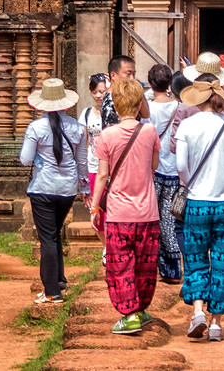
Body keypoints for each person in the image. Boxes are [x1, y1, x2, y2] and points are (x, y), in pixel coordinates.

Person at [174, 74, 224, 342]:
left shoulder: (187, 125)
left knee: (195, 259)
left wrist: (189, 185)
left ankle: (198, 311)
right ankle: (217, 324)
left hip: (197, 202)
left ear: (198, 100)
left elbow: (181, 167)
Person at [91, 77, 162, 335]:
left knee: (120, 264)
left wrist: (95, 207)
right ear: (138, 102)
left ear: (116, 105)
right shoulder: (150, 131)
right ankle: (140, 309)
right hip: (147, 211)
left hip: (119, 211)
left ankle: (129, 313)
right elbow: (154, 166)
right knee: (145, 264)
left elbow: (101, 176)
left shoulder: (107, 135)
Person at [19, 78, 89, 305]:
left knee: (47, 238)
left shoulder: (36, 128)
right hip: (67, 189)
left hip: (43, 188)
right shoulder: (78, 128)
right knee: (54, 233)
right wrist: (85, 188)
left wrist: (40, 159)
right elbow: (82, 162)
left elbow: (25, 159)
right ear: (66, 103)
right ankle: (58, 279)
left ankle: (51, 291)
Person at [148, 63, 186, 285]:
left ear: (151, 84)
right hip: (174, 168)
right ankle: (173, 269)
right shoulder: (179, 108)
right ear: (170, 83)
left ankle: (152, 264)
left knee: (152, 220)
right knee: (170, 221)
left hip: (153, 169)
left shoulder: (147, 109)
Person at [80, 73, 110, 194]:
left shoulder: (113, 114)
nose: (98, 96)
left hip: (110, 168)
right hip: (92, 167)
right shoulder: (86, 114)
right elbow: (83, 143)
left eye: (101, 92)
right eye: (94, 92)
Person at [102, 55, 137, 127]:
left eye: (134, 74)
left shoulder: (128, 94)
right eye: (128, 74)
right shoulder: (110, 100)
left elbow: (146, 114)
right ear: (113, 75)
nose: (132, 78)